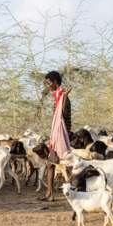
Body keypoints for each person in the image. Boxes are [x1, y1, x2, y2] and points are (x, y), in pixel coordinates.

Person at [39, 71, 71, 202]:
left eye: (48, 83)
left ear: (54, 82)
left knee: (68, 163)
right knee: (51, 163)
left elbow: (62, 115)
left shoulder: (63, 97)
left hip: (63, 134)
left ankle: (78, 191)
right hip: (57, 133)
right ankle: (49, 194)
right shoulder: (58, 96)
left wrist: (64, 97)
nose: (47, 86)